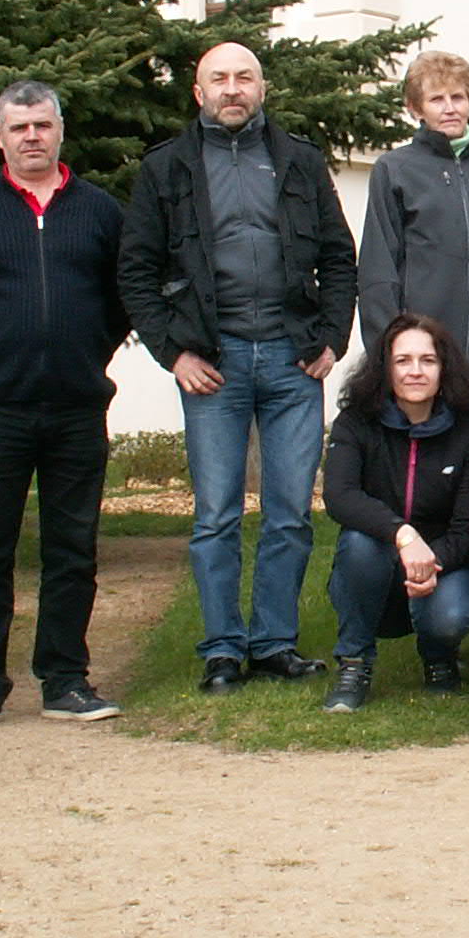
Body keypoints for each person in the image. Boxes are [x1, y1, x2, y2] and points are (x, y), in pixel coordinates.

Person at [120, 41, 357, 694]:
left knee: (290, 513)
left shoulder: (300, 161)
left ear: (262, 88)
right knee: (216, 516)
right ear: (199, 93)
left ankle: (275, 643)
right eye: (219, 79)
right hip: (212, 361)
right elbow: (136, 271)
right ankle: (223, 650)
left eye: (244, 77)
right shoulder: (167, 168)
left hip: (292, 360)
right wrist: (174, 353)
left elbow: (339, 257)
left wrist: (332, 339)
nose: (232, 89)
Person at [0, 80, 130, 730]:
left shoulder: (100, 212)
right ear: (0, 135)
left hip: (76, 408)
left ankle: (65, 680)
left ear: (60, 130)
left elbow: (122, 298)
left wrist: (85, 352)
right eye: (19, 127)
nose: (31, 137)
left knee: (73, 549)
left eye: (42, 125)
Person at [357, 49, 469, 445]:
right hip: (424, 361)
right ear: (415, 108)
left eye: (458, 97)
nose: (450, 108)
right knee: (428, 471)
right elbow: (378, 273)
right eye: (436, 99)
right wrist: (388, 358)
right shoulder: (395, 170)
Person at [320, 313, 469, 712]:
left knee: (450, 614)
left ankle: (439, 656)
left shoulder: (467, 432)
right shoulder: (355, 423)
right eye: (403, 361)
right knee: (358, 543)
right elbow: (340, 496)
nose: (416, 371)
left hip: (443, 568)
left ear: (443, 368)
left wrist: (430, 561)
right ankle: (354, 664)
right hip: (376, 567)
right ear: (386, 368)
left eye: (427, 360)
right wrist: (403, 534)